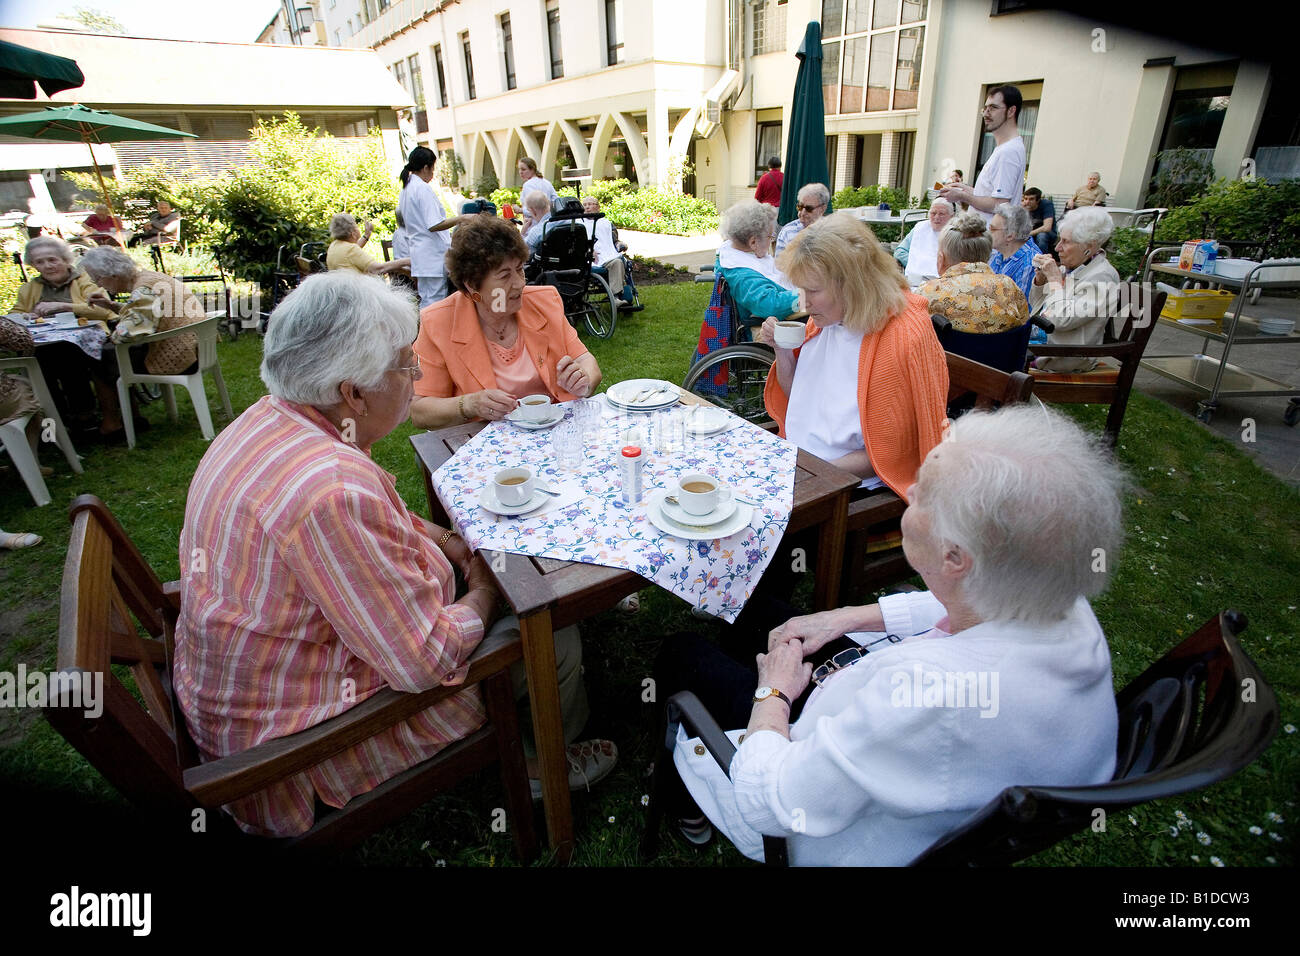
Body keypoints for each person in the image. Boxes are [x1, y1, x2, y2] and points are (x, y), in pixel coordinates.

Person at [173, 271, 616, 838]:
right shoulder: (327, 492)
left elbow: (381, 518)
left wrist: (452, 544)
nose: (416, 379)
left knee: (519, 581)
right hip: (300, 745)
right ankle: (540, 762)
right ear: (352, 392)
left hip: (254, 686)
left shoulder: (272, 420)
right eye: (408, 367)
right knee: (550, 624)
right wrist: (484, 586)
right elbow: (423, 660)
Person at [660, 404, 1125, 864]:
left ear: (953, 558)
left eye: (924, 494)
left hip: (813, 808)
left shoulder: (928, 702)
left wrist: (774, 693)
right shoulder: (1054, 597)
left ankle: (687, 803)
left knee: (681, 654)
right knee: (755, 612)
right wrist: (846, 618)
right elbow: (971, 604)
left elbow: (770, 801)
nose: (911, 488)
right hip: (876, 730)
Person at [758, 212, 948, 495]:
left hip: (848, 485)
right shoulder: (829, 317)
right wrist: (782, 352)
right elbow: (799, 395)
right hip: (801, 463)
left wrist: (807, 470)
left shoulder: (902, 335)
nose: (804, 303)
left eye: (813, 291)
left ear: (851, 284)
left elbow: (891, 454)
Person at [408, 215, 602, 429]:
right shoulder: (439, 322)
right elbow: (420, 411)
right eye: (504, 276)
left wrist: (583, 381)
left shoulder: (544, 301)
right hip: (486, 441)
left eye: (519, 269)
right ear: (473, 284)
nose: (519, 284)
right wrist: (468, 405)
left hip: (555, 431)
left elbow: (586, 361)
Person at [10, 236, 120, 435]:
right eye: (40, 262)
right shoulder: (31, 288)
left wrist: (63, 306)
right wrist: (26, 315)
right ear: (33, 265)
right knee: (39, 362)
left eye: (52, 260)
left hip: (85, 342)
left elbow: (106, 311)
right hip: (47, 344)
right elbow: (16, 313)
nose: (48, 266)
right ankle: (56, 419)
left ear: (65, 259)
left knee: (68, 359)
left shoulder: (85, 280)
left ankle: (84, 415)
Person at [80, 246, 205, 377]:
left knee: (99, 359)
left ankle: (120, 397)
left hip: (182, 356)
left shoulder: (143, 290)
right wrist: (111, 305)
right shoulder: (149, 278)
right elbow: (145, 312)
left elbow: (127, 333)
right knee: (107, 357)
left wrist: (109, 337)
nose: (98, 285)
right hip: (194, 347)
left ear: (113, 275)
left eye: (97, 279)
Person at [1030, 206, 1121, 373]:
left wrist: (1055, 282)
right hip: (1045, 346)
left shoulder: (1103, 277)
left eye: (1065, 242)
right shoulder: (1074, 267)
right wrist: (1041, 282)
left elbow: (1061, 320)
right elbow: (1037, 309)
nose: (1057, 248)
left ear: (1089, 246)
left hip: (1064, 356)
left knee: (990, 353)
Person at [919, 213, 1028, 335]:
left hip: (947, 354)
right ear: (988, 255)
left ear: (941, 258)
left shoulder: (927, 292)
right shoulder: (1009, 287)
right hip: (1001, 354)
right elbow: (1023, 326)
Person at [940, 85, 1025, 222]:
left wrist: (962, 196)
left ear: (1011, 111)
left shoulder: (1008, 152)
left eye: (993, 108)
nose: (986, 113)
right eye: (985, 108)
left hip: (990, 238)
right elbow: (991, 196)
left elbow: (1000, 204)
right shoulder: (1005, 148)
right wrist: (966, 190)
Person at [715, 199, 799, 328]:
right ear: (753, 242)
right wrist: (807, 295)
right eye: (770, 237)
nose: (771, 242)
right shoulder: (742, 274)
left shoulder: (737, 250)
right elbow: (771, 305)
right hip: (766, 328)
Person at [397, 146, 452, 308]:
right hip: (431, 253)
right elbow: (434, 224)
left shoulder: (407, 188)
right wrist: (462, 218)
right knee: (436, 301)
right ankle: (432, 332)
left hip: (421, 253)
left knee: (427, 299)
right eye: (433, 168)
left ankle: (425, 331)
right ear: (426, 167)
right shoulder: (421, 188)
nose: (433, 174)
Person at [580, 195, 635, 307]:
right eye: (584, 205)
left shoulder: (606, 223)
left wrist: (619, 244)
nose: (587, 207)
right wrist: (588, 249)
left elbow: (614, 240)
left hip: (608, 256)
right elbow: (577, 242)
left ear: (598, 207)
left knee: (618, 262)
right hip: (588, 260)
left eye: (590, 204)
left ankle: (615, 297)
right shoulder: (579, 223)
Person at [325, 213, 411, 276]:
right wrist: (406, 261)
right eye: (356, 225)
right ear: (352, 233)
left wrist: (367, 235)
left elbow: (353, 250)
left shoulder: (335, 245)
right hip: (357, 294)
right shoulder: (350, 250)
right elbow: (378, 269)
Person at [893, 198, 954, 285]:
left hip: (943, 281)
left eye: (942, 214)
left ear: (951, 216)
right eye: (933, 213)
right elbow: (899, 252)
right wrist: (916, 262)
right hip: (915, 280)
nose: (937, 217)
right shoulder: (920, 228)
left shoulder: (955, 232)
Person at [775, 183, 829, 255]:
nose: (802, 213)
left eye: (809, 208)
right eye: (800, 207)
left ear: (822, 209)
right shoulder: (787, 231)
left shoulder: (831, 232)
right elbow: (778, 264)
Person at [518, 156, 559, 233]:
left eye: (523, 169)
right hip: (549, 224)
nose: (520, 172)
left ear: (532, 169)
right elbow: (556, 202)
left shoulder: (528, 185)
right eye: (519, 169)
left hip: (534, 226)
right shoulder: (547, 183)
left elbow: (532, 208)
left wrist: (520, 210)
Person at [1022, 187, 1058, 254]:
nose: (1027, 202)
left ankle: (1041, 260)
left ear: (1038, 200)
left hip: (1048, 234)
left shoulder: (1046, 205)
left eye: (1031, 199)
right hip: (1031, 232)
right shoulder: (1023, 207)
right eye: (1025, 199)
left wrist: (1029, 233)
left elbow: (1047, 227)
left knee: (1041, 236)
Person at [521, 191, 554, 256]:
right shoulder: (574, 221)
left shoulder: (537, 231)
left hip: (547, 265)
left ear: (533, 210)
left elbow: (521, 249)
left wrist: (523, 232)